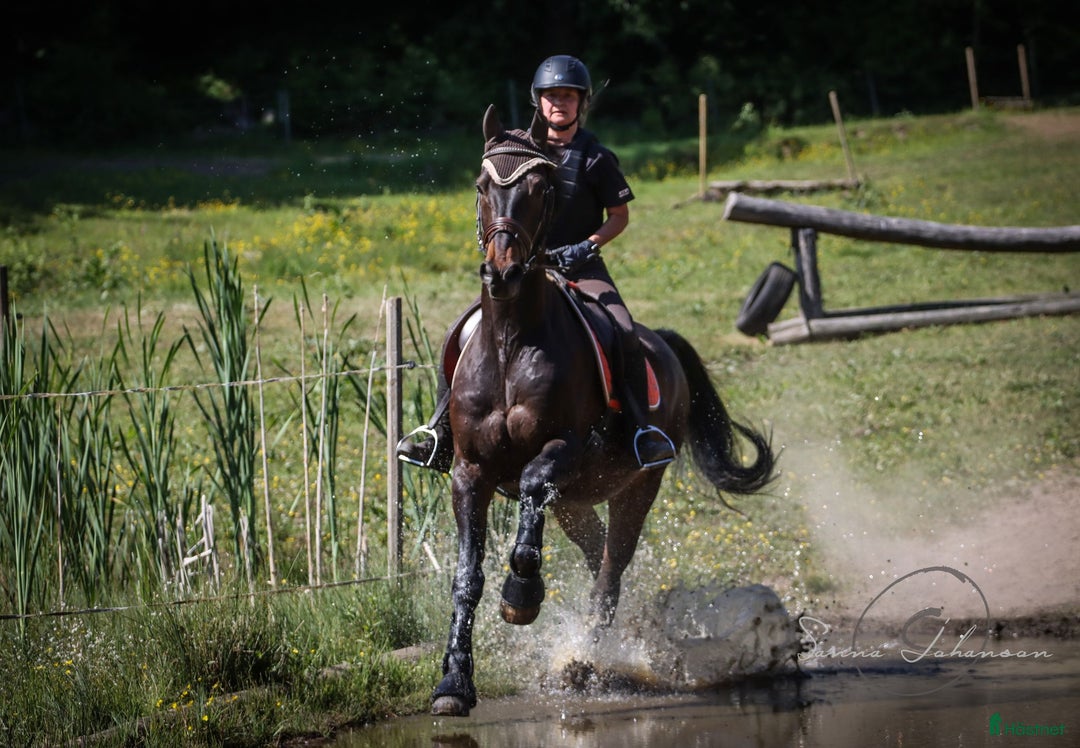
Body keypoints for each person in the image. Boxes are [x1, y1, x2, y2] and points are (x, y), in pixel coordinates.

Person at [397, 54, 675, 472]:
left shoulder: (596, 158)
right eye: (551, 96)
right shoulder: (520, 148)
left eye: (568, 96)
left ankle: (640, 431)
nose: (558, 103)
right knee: (461, 330)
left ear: (582, 102)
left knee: (622, 328)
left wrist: (586, 247)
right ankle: (441, 433)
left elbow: (619, 216)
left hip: (579, 268)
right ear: (538, 101)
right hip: (522, 268)